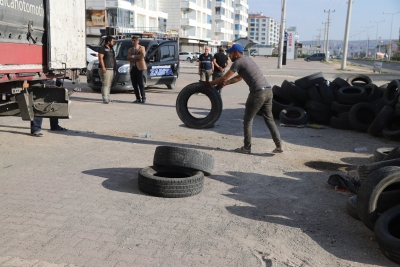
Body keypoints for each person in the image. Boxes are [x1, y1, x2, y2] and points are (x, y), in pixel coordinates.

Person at [206, 43, 283, 154]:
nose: (229, 56)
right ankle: (279, 146)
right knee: (269, 119)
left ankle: (246, 147)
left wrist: (209, 84)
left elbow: (223, 77)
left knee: (247, 120)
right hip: (268, 91)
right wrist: (226, 83)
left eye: (231, 53)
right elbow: (238, 78)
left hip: (257, 93)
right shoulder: (247, 60)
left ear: (236, 53)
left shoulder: (238, 62)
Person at [127, 36, 147, 103]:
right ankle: (138, 98)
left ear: (138, 41)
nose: (133, 42)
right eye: (132, 40)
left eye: (134, 40)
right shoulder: (130, 49)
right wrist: (136, 57)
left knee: (141, 83)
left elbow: (142, 56)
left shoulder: (142, 48)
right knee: (134, 84)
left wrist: (133, 56)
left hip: (140, 68)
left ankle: (143, 98)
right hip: (133, 68)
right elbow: (128, 58)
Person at [98, 35, 117, 104]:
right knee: (105, 83)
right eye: (112, 41)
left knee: (109, 84)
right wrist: (103, 67)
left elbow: (114, 58)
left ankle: (108, 96)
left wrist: (115, 66)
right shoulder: (102, 48)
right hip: (105, 69)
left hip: (111, 69)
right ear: (108, 41)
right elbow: (100, 58)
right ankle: (105, 98)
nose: (113, 42)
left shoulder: (111, 49)